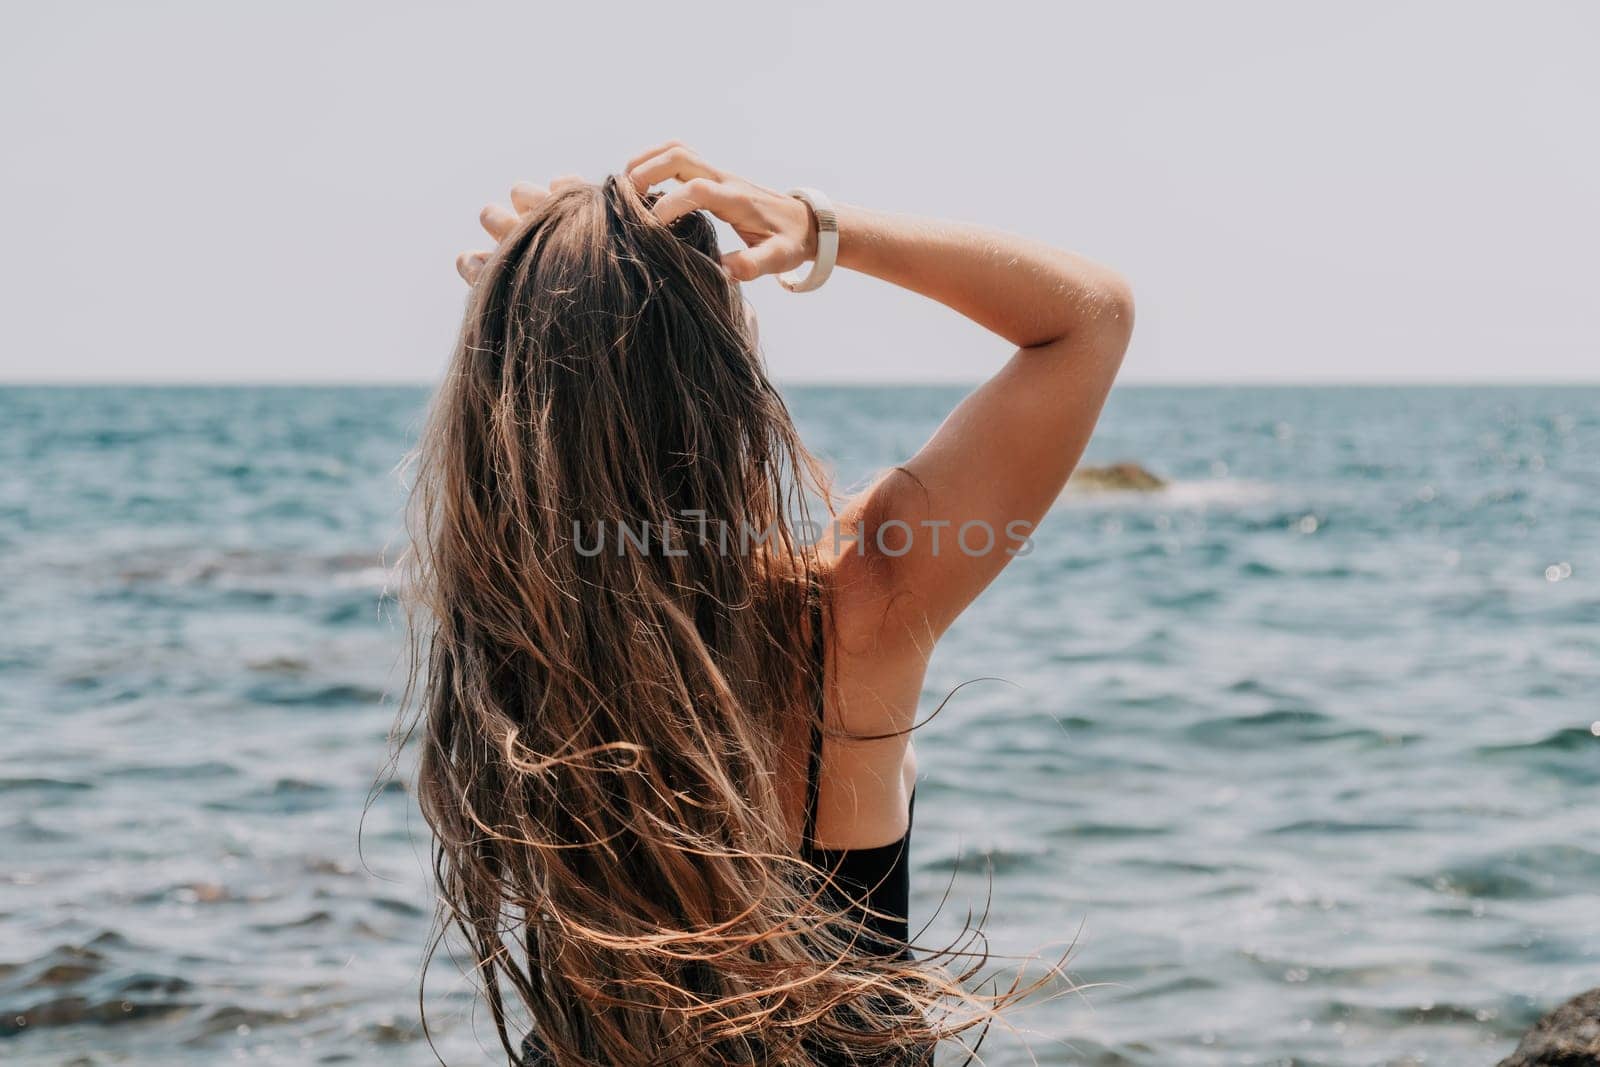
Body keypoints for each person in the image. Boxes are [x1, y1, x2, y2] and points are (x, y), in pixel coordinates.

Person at [405, 142, 1133, 1065]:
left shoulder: (510, 626)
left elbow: (535, 452)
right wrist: (821, 229)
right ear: (726, 380)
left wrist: (533, 295)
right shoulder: (853, 613)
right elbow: (1088, 317)